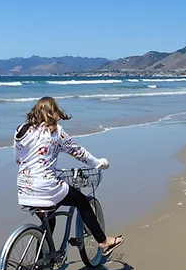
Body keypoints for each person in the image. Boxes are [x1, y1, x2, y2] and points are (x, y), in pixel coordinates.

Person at [14, 97, 124, 256]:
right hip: (46, 186)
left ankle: (39, 263)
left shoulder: (21, 130)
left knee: (49, 219)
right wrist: (99, 164)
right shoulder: (56, 131)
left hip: (24, 188)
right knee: (83, 202)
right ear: (53, 112)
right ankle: (102, 240)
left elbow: (18, 159)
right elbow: (79, 153)